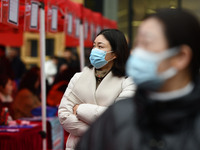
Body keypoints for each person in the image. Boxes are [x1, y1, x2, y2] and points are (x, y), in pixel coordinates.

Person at [76, 8, 200, 150]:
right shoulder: (117, 116)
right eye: (137, 44)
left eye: (146, 44)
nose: (136, 53)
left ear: (180, 57)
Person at [58, 29, 135, 150]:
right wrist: (98, 131)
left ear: (115, 53)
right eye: (94, 45)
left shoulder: (128, 82)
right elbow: (64, 115)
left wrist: (80, 109)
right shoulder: (78, 77)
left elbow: (118, 118)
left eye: (100, 46)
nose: (94, 50)